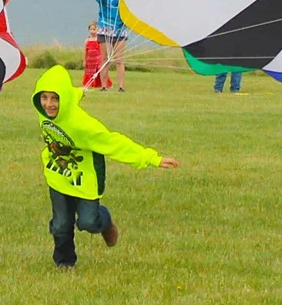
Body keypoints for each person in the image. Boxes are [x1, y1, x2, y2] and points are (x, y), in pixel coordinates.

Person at [32, 64, 179, 269]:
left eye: (55, 98)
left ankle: (106, 221)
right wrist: (79, 92)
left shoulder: (83, 125)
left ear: (63, 99)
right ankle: (65, 263)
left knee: (88, 223)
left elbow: (114, 143)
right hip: (59, 175)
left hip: (86, 177)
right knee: (60, 225)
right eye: (44, 97)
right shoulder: (43, 110)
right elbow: (71, 95)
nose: (49, 104)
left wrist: (152, 158)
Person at [94, 0, 128, 92]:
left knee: (119, 60)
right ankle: (104, 86)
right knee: (105, 59)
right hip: (104, 27)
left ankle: (121, 87)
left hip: (119, 28)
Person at [82, 21, 111, 89]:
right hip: (90, 59)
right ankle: (90, 83)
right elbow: (85, 51)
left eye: (94, 29)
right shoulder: (87, 40)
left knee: (100, 70)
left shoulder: (99, 39)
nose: (92, 31)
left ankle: (103, 83)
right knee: (90, 71)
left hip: (98, 59)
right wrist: (84, 60)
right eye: (91, 29)